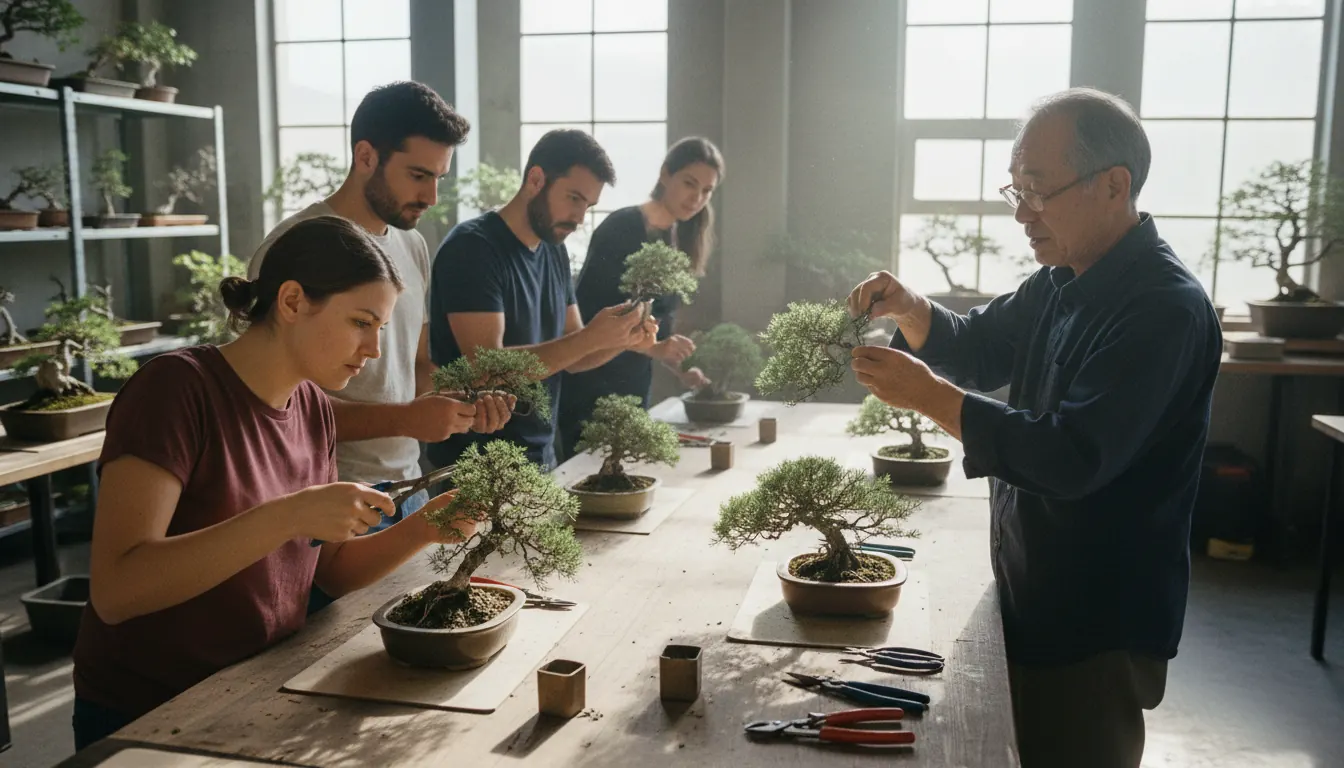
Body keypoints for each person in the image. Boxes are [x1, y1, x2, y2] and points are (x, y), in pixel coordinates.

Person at [847, 88, 1222, 768]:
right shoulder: (1061, 278)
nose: (1021, 212)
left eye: (1038, 190)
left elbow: (1071, 456)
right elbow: (980, 345)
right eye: (1014, 189)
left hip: (1095, 616)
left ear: (1115, 185)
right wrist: (908, 306)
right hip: (1033, 581)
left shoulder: (1165, 309)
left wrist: (931, 398)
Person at [72, 216, 481, 748]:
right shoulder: (174, 390)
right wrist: (287, 514)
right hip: (150, 711)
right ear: (291, 302)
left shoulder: (311, 406)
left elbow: (326, 571)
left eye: (380, 327)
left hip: (256, 689)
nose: (375, 349)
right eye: (362, 322)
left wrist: (425, 527)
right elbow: (116, 591)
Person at [249, 81, 511, 613]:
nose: (432, 197)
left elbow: (418, 367)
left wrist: (458, 407)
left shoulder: (412, 245)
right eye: (418, 175)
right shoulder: (294, 248)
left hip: (409, 487)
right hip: (326, 505)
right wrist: (408, 418)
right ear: (365, 156)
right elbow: (274, 413)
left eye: (439, 178)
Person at [428, 129, 659, 470]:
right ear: (536, 179)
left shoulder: (555, 250)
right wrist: (590, 337)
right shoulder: (473, 249)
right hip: (476, 465)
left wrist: (622, 339)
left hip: (542, 456)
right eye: (574, 198)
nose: (580, 218)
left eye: (588, 205)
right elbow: (487, 369)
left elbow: (576, 356)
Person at [556, 137, 724, 460]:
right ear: (665, 175)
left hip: (633, 386)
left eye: (707, 190)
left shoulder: (680, 237)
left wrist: (679, 367)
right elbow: (593, 321)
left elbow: (656, 328)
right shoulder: (622, 227)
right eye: (690, 183)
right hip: (592, 384)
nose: (697, 197)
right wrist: (657, 348)